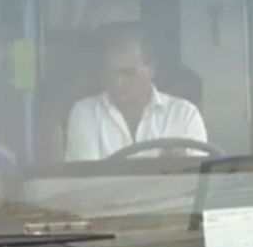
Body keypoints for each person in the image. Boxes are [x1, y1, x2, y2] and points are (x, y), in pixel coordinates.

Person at [64, 24, 207, 160]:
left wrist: (179, 167)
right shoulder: (85, 113)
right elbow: (85, 180)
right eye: (111, 73)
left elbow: (199, 179)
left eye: (128, 72)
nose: (118, 81)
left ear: (151, 69)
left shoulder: (185, 115)